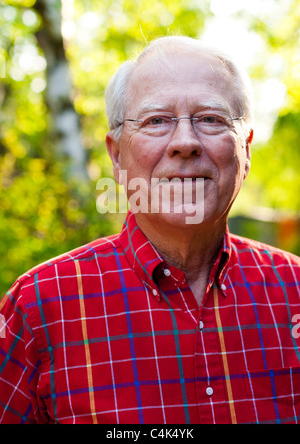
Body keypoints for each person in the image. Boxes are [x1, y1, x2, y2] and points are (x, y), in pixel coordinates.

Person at [0, 36, 300, 425]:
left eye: (211, 118)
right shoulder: (38, 307)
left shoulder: (294, 291)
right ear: (116, 154)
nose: (186, 143)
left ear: (246, 149)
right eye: (156, 120)